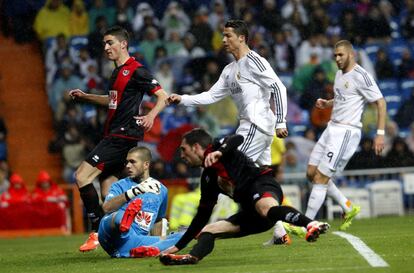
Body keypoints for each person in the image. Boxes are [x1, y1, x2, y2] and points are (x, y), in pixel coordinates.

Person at [158, 128, 329, 265]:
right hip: (252, 215)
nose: (181, 155)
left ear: (196, 147)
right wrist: (177, 246)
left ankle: (311, 224)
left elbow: (237, 138)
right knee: (208, 230)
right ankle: (192, 257)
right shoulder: (208, 178)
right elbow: (202, 216)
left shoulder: (219, 148)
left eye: (184, 149)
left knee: (265, 208)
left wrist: (220, 152)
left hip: (262, 185)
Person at [69, 25, 168, 252]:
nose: (106, 47)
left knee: (82, 176)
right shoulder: (116, 73)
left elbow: (162, 96)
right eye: (104, 43)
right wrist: (87, 97)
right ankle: (146, 230)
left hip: (121, 136)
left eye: (110, 42)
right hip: (114, 134)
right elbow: (113, 100)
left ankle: (95, 232)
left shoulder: (137, 70)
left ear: (123, 44)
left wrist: (151, 115)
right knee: (109, 194)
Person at [286, 40, 386, 236]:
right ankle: (347, 206)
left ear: (351, 54)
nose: (337, 59)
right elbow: (345, 97)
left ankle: (305, 224)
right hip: (332, 128)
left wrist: (379, 134)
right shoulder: (339, 74)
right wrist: (327, 103)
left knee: (321, 178)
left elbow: (381, 103)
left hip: (346, 132)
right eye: (335, 56)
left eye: (341, 55)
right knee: (311, 172)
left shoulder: (361, 76)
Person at [167, 20, 288, 167]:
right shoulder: (229, 70)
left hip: (255, 125)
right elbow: (211, 96)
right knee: (256, 176)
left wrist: (281, 122)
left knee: (228, 168)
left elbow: (278, 87)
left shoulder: (253, 61)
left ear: (241, 38)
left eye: (228, 36)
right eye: (223, 36)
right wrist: (182, 99)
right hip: (250, 126)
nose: (224, 40)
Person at [98, 146, 182, 258]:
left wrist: (160, 240)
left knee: (182, 237)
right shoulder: (120, 185)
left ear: (146, 165)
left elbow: (158, 220)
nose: (128, 166)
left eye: (132, 162)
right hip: (111, 235)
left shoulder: (162, 190)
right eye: (127, 162)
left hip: (133, 241)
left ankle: (151, 249)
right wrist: (133, 192)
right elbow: (106, 208)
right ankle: (125, 223)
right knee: (118, 216)